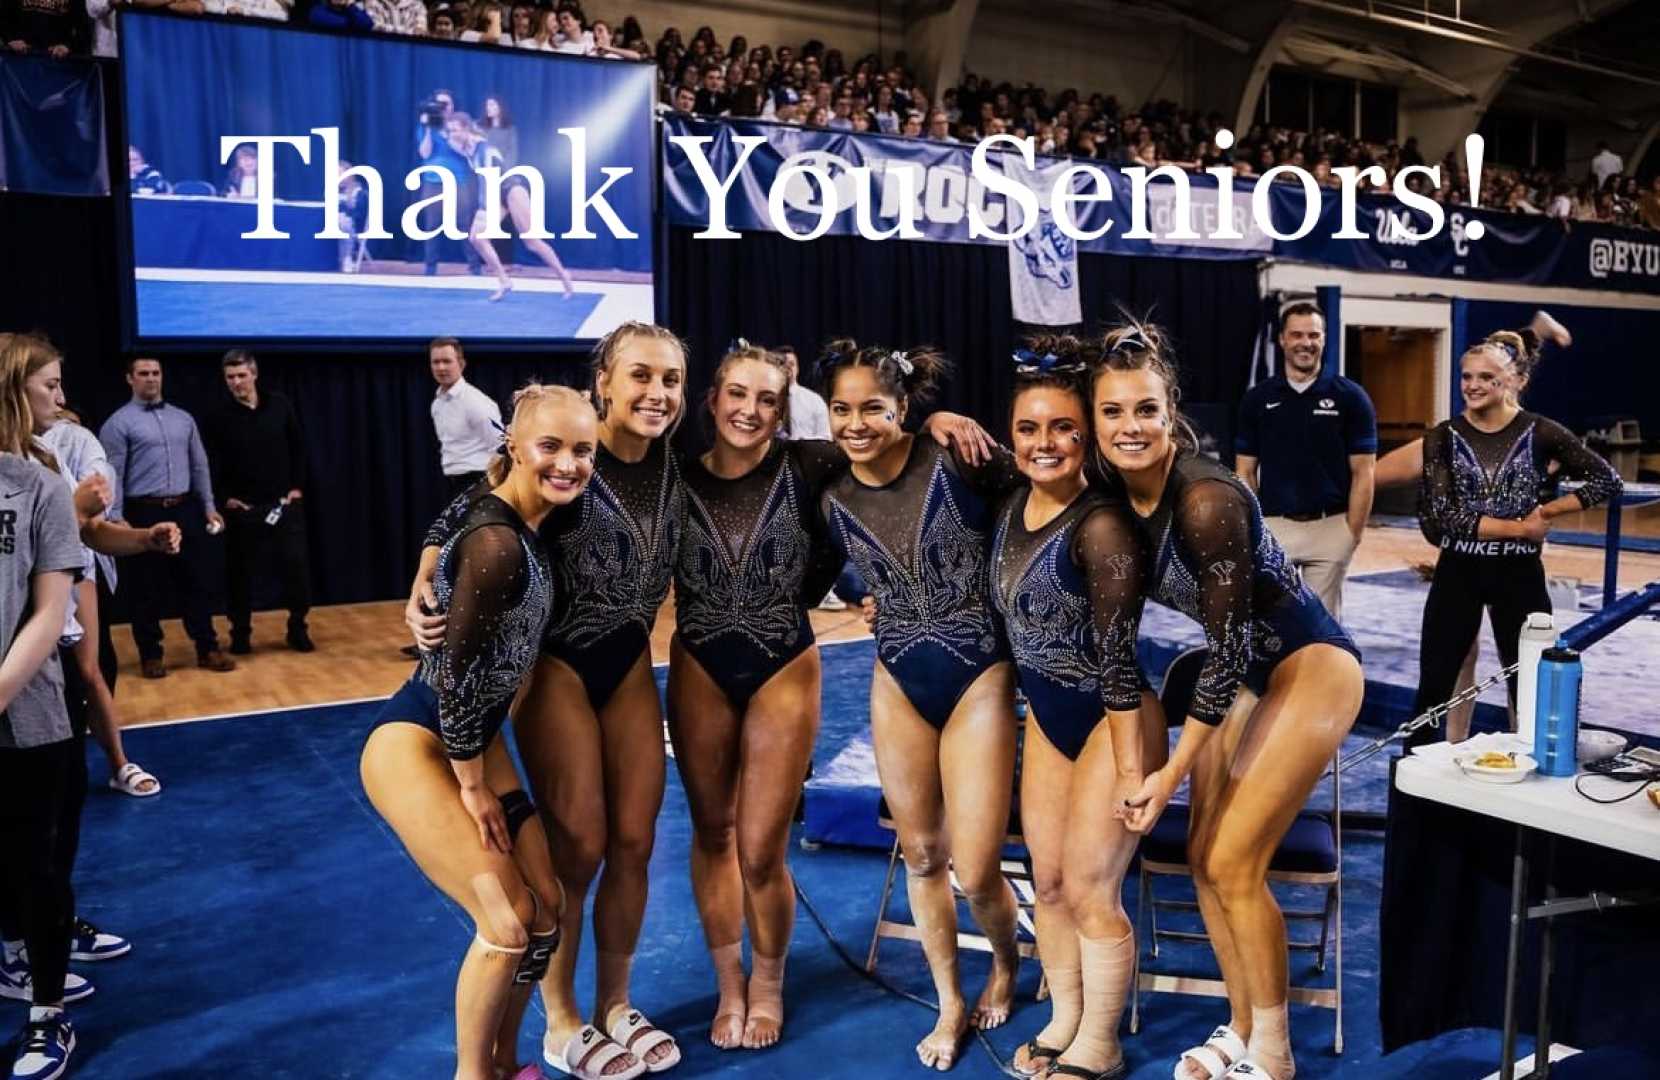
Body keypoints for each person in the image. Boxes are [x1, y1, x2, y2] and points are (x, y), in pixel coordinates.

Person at [669, 341, 989, 1052]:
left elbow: (885, 441)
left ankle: (769, 982)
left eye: (767, 400)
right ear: (713, 401)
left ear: (784, 412)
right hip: (699, 663)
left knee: (759, 850)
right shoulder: (675, 477)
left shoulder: (810, 463)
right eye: (737, 396)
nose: (750, 411)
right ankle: (730, 984)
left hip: (784, 661)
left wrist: (937, 421)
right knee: (712, 835)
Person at [411, 323, 690, 1078]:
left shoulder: (676, 461)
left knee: (636, 838)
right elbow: (473, 508)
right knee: (581, 845)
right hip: (559, 663)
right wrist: (427, 569)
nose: (655, 393)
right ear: (603, 380)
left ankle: (616, 1004)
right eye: (639, 376)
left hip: (628, 657)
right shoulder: (569, 449)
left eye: (670, 380)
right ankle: (561, 1020)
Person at [1096, 322, 1364, 1080]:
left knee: (1235, 860)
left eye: (1145, 410)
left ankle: (1272, 1054)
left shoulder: (1206, 498)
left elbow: (1235, 648)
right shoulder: (1114, 491)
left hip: (1308, 664)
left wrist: (1168, 774)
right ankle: (1243, 1025)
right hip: (1244, 678)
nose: (1129, 427)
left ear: (1171, 409)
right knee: (1207, 863)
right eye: (1112, 413)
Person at [362, 384, 595, 1080]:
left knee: (547, 909)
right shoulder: (498, 545)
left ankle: (503, 1061)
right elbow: (459, 679)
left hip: (473, 740)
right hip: (422, 741)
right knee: (506, 924)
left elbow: (449, 515)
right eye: (550, 447)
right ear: (514, 448)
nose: (567, 464)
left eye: (582, 450)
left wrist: (427, 560)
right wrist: (473, 786)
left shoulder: (504, 512)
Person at [817, 341, 1021, 1071]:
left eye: (873, 407)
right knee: (924, 855)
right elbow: (845, 566)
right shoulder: (832, 493)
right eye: (842, 408)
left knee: (975, 865)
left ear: (906, 408)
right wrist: (862, 597)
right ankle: (950, 1002)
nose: (856, 422)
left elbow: (1039, 502)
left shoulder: (956, 456)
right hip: (899, 673)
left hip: (978, 673)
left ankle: (1005, 963)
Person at [990, 340, 1163, 1080]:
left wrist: (1133, 771)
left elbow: (1119, 662)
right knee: (1050, 881)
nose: (1044, 443)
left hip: (1113, 718)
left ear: (1086, 435)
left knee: (1092, 888)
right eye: (1029, 429)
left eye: (1062, 427)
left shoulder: (1101, 525)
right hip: (1054, 718)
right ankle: (1065, 1016)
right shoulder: (1011, 507)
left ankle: (1100, 1039)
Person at [1408, 330, 1622, 747]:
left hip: (1518, 573)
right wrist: (1520, 528)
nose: (1472, 385)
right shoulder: (1443, 436)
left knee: (1530, 685)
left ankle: (1530, 778)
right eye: (1466, 376)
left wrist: (1548, 512)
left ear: (1513, 381)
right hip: (1459, 571)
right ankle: (1417, 790)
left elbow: (1606, 480)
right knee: (1433, 686)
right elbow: (1447, 515)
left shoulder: (1541, 432)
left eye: (1485, 377)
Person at [25, 336, 177, 800]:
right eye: (50, 386)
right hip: (19, 637)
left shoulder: (50, 456)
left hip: (54, 613)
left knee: (83, 679)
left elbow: (86, 532)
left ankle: (116, 763)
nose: (63, 399)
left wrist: (143, 538)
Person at [0, 334, 89, 1080]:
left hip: (29, 716)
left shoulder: (42, 484)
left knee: (39, 868)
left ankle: (46, 1015)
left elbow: (48, 608)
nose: (57, 400)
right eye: (48, 386)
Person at [1233, 301, 1377, 622]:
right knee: (1269, 624)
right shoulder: (1258, 399)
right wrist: (1256, 529)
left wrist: (1351, 533)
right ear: (1282, 340)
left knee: (1320, 631)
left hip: (1331, 528)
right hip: (1274, 528)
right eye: (1296, 335)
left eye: (1313, 335)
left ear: (1324, 339)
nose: (1305, 343)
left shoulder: (1351, 398)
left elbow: (1365, 472)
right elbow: (1244, 470)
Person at [98, 357, 235, 678]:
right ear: (130, 378)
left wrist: (209, 505)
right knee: (146, 585)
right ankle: (150, 654)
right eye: (143, 374)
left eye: (155, 373)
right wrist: (116, 517)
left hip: (185, 507)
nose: (151, 379)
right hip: (143, 510)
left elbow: (199, 465)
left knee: (196, 581)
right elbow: (111, 473)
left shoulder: (183, 419)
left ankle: (207, 647)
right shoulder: (118, 423)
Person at [202, 350, 313, 655]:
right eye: (230, 377)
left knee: (295, 569)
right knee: (240, 575)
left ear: (254, 374)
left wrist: (296, 489)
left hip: (282, 505)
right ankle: (240, 633)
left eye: (241, 375)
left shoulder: (280, 405)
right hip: (242, 511)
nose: (236, 382)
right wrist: (225, 498)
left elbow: (298, 448)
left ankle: (297, 627)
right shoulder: (218, 416)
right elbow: (210, 462)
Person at [446, 115, 577, 302]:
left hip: (511, 190)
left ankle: (564, 277)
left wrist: (483, 210)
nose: (452, 135)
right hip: (497, 195)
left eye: (456, 130)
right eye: (450, 131)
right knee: (477, 238)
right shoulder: (462, 145)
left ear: (466, 129)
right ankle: (504, 280)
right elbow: (448, 137)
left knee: (532, 242)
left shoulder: (484, 149)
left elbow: (487, 183)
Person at [415, 89, 479, 275]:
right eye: (439, 104)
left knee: (463, 224)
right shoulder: (427, 126)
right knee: (432, 225)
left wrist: (450, 133)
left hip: (459, 179)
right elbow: (424, 153)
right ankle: (430, 267)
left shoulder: (462, 125)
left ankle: (474, 267)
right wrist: (428, 128)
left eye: (447, 104)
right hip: (433, 180)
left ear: (453, 106)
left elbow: (468, 152)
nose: (443, 108)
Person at [429, 338, 502, 497]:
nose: (441, 367)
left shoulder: (476, 402)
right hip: (452, 482)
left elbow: (500, 446)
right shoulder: (437, 404)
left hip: (480, 481)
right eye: (436, 362)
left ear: (461, 364)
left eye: (447, 361)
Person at [774, 346, 829, 442]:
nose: (787, 368)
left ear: (798, 368)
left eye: (791, 364)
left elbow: (825, 437)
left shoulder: (814, 400)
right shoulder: (766, 400)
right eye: (782, 363)